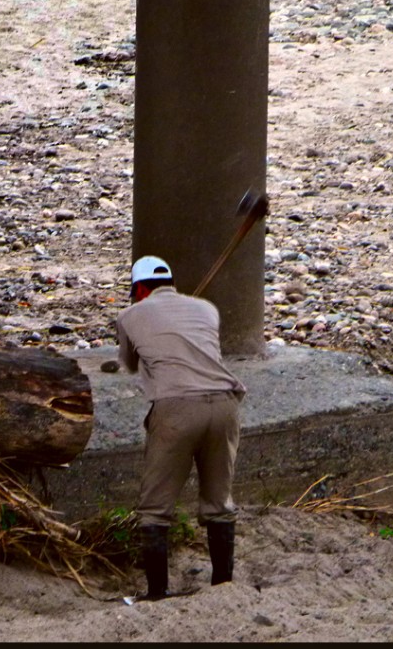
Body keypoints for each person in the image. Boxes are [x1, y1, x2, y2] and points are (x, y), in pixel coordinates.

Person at [115, 255, 247, 600]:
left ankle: (157, 593)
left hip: (176, 409)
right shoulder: (207, 309)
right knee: (219, 502)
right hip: (225, 404)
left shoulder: (129, 315)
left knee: (155, 507)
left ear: (139, 289)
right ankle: (223, 587)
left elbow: (130, 364)